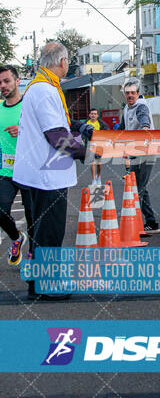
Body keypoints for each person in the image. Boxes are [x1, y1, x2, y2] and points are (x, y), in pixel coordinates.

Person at [13, 42, 93, 300]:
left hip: (40, 173)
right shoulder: (45, 90)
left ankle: (37, 285)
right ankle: (47, 287)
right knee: (50, 232)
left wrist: (81, 128)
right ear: (61, 62)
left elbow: (63, 122)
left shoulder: (41, 87)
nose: (67, 64)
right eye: (68, 60)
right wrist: (87, 152)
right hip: (47, 175)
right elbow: (57, 135)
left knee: (40, 232)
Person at [0, 65, 33, 265]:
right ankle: (16, 237)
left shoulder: (29, 106)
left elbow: (43, 132)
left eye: (7, 81)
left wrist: (23, 130)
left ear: (17, 81)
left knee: (32, 216)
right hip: (5, 171)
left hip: (29, 169)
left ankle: (34, 253)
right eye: (0, 83)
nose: (3, 86)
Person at [118, 78, 159, 234]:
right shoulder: (126, 108)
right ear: (124, 94)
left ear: (138, 93)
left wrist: (145, 127)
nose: (130, 95)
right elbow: (122, 128)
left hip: (147, 153)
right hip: (135, 153)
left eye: (133, 93)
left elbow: (144, 119)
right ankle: (151, 222)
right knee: (139, 188)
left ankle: (134, 225)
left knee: (137, 189)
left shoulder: (141, 106)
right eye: (127, 93)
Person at [85, 108, 109, 186]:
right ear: (89, 115)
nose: (93, 115)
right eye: (92, 113)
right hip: (89, 144)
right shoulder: (86, 123)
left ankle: (99, 177)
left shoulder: (101, 123)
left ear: (97, 115)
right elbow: (81, 132)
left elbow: (107, 131)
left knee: (98, 164)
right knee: (92, 163)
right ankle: (93, 179)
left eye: (95, 114)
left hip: (99, 145)